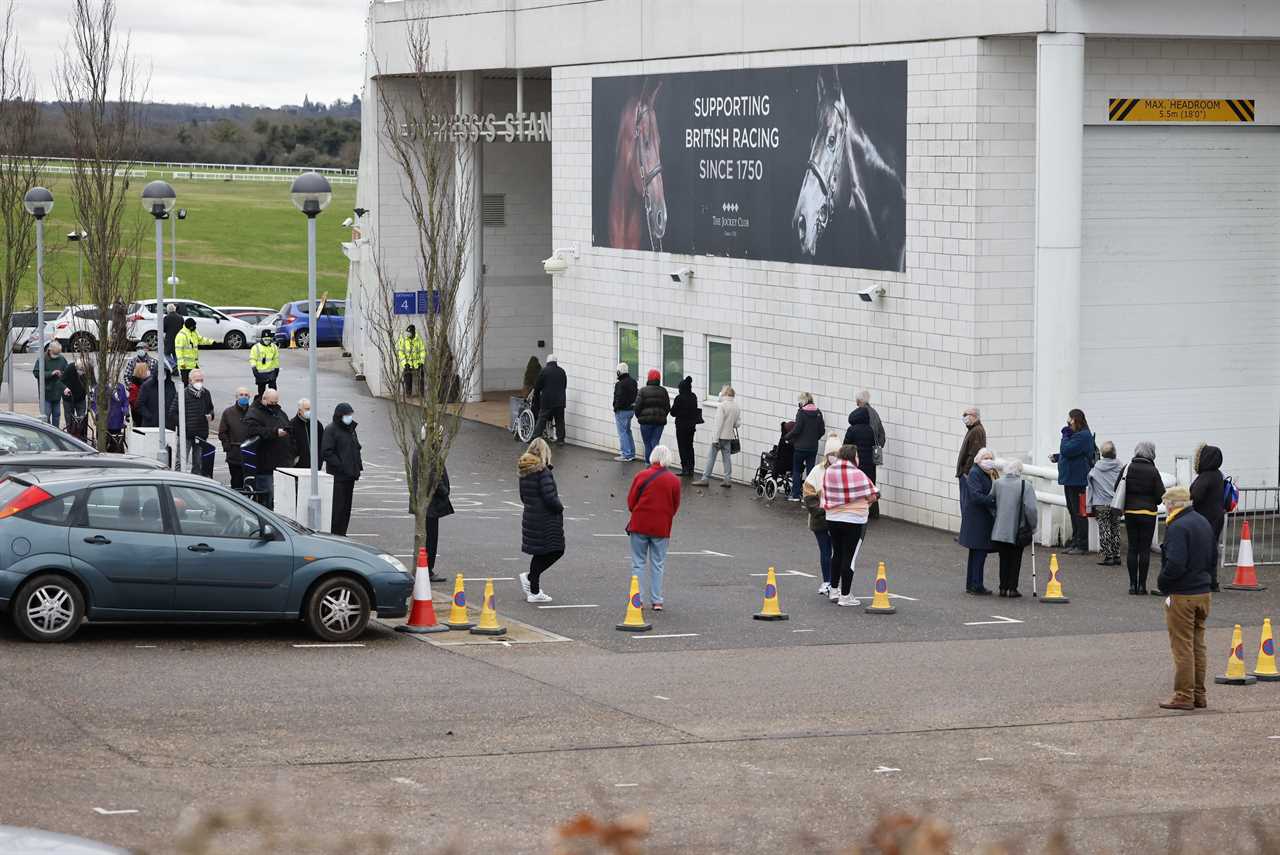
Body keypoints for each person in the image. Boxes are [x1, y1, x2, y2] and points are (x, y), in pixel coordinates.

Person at [1156, 486, 1216, 711]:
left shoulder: (1177, 526)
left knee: (1182, 646)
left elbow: (1176, 563)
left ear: (1173, 505)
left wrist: (1163, 582)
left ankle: (1183, 695)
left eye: (1166, 504)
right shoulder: (1202, 521)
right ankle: (1199, 694)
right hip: (1203, 591)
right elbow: (1212, 556)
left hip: (1183, 594)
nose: (1165, 508)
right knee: (1198, 645)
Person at [821, 444, 879, 606]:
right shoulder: (858, 473)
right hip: (854, 520)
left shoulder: (829, 471)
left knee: (837, 553)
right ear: (853, 457)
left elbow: (825, 492)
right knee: (849, 557)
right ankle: (845, 596)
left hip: (832, 518)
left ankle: (834, 590)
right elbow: (872, 494)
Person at [626, 445, 682, 611]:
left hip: (639, 524)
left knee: (638, 563)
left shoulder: (641, 476)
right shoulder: (674, 480)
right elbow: (675, 506)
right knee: (658, 564)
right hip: (661, 527)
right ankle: (657, 600)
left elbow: (631, 502)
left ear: (653, 457)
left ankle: (638, 600)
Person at [517, 437, 564, 603]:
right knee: (556, 550)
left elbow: (523, 496)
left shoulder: (524, 471)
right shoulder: (543, 472)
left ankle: (533, 587)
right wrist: (560, 507)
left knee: (540, 552)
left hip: (531, 516)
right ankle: (532, 584)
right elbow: (550, 497)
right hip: (545, 519)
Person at [985, 458, 1038, 597]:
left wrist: (997, 516)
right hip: (1017, 529)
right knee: (1016, 559)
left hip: (1000, 528)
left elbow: (990, 502)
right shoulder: (1025, 485)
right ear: (1019, 471)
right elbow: (1031, 509)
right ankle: (1012, 588)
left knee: (1003, 558)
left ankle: (1002, 587)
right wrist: (1033, 526)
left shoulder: (997, 483)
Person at [1121, 440, 1165, 595]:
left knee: (1133, 548)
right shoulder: (1153, 471)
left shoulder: (1127, 468)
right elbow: (1160, 496)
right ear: (1152, 453)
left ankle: (1132, 585)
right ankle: (1142, 586)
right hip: (1148, 514)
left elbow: (1117, 489)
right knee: (1144, 549)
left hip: (1130, 513)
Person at [802, 433, 843, 596]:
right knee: (826, 551)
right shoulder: (817, 471)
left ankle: (834, 583)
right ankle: (827, 581)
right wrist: (822, 511)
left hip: (838, 519)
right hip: (820, 520)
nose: (835, 457)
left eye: (837, 454)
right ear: (827, 455)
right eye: (832, 454)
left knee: (837, 552)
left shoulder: (843, 471)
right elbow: (808, 494)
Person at [1053, 408, 1095, 554]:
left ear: (1076, 419)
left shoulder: (1083, 435)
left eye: (1070, 419)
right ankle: (1076, 540)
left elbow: (1067, 450)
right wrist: (1057, 457)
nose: (1068, 422)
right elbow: (1070, 453)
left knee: (1079, 512)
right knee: (1073, 511)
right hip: (1071, 479)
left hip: (1078, 480)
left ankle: (1082, 544)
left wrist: (1065, 435)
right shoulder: (1078, 435)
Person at [242, 389, 293, 509]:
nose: (274, 405)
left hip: (282, 466)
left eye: (276, 402)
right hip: (265, 468)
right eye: (272, 403)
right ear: (264, 399)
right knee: (267, 502)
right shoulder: (254, 413)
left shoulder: (280, 413)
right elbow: (252, 431)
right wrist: (274, 432)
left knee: (281, 502)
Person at [321, 402, 363, 536]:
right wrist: (341, 466)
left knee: (346, 510)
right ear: (340, 415)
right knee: (337, 510)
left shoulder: (351, 429)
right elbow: (327, 452)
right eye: (347, 415)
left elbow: (355, 448)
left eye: (351, 414)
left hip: (350, 476)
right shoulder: (331, 430)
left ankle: (342, 534)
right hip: (338, 478)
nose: (350, 417)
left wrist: (357, 467)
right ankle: (335, 535)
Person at [959, 447, 997, 595]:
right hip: (978, 520)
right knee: (979, 553)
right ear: (978, 459)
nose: (988, 461)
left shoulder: (987, 472)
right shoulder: (976, 473)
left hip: (979, 519)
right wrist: (993, 500)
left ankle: (972, 583)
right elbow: (976, 495)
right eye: (985, 458)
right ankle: (976, 584)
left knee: (977, 553)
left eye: (990, 458)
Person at [1189, 443, 1225, 592]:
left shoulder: (1205, 477)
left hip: (1204, 518)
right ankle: (1212, 581)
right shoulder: (1218, 474)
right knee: (1212, 549)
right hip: (1216, 516)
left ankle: (1201, 581)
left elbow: (1195, 496)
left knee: (1200, 550)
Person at [691, 386, 740, 488]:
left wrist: (715, 439)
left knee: (711, 457)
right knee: (727, 459)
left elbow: (718, 424)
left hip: (719, 436)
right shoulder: (736, 406)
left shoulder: (722, 406)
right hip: (729, 436)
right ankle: (727, 480)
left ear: (725, 393)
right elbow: (737, 424)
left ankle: (705, 479)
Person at [168, 368, 214, 474]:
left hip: (201, 434)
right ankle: (178, 482)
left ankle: (195, 484)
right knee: (181, 461)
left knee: (198, 462)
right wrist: (184, 425)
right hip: (186, 434)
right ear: (190, 381)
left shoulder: (206, 393)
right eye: (197, 380)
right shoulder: (183, 394)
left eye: (201, 380)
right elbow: (172, 413)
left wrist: (210, 415)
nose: (199, 383)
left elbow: (210, 408)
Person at [1086, 441, 1124, 567]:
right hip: (1116, 502)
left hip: (1101, 502)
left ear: (1102, 454)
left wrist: (1089, 503)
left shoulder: (1097, 468)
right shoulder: (1120, 466)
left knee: (1105, 529)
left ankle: (1108, 556)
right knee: (1115, 527)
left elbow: (1090, 481)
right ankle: (1117, 555)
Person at [785, 392, 825, 501]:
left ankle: (796, 495)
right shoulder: (818, 413)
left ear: (803, 401)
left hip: (800, 448)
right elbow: (822, 431)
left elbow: (797, 430)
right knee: (811, 471)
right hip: (813, 447)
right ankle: (808, 496)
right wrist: (814, 439)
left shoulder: (801, 413)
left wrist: (787, 436)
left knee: (797, 470)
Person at [844, 406, 879, 518]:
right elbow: (875, 444)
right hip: (870, 463)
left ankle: (858, 510)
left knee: (856, 486)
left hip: (856, 463)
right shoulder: (871, 430)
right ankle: (873, 512)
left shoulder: (852, 430)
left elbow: (845, 446)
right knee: (870, 486)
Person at [217, 387, 252, 491]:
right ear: (236, 397)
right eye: (241, 395)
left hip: (250, 455)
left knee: (250, 483)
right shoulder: (228, 412)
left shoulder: (253, 412)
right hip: (234, 455)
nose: (244, 397)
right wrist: (228, 447)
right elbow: (222, 432)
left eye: (246, 395)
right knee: (236, 483)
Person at [634, 369, 670, 463]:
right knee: (655, 442)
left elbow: (637, 407)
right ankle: (656, 464)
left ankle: (648, 465)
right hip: (659, 422)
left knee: (647, 444)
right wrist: (662, 416)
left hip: (645, 422)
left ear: (648, 378)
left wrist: (639, 417)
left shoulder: (642, 391)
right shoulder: (664, 391)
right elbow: (667, 407)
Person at [532, 354, 567, 444]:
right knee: (560, 420)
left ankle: (535, 437)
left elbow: (537, 386)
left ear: (548, 362)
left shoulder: (544, 371)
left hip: (547, 401)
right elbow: (564, 385)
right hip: (560, 401)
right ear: (555, 362)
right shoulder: (562, 371)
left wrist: (536, 397)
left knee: (542, 418)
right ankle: (560, 440)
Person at [33, 341, 70, 427]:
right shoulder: (42, 359)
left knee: (56, 415)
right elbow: (36, 373)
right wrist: (51, 373)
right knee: (46, 415)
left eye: (58, 354)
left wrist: (62, 374)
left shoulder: (62, 359)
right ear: (49, 350)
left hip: (57, 393)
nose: (56, 356)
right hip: (46, 394)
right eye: (55, 354)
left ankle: (55, 432)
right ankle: (47, 432)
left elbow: (67, 372)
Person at [669, 376, 700, 477]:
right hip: (691, 426)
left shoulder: (679, 398)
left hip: (681, 426)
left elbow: (673, 412)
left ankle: (685, 468)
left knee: (682, 447)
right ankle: (691, 468)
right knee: (690, 446)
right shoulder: (693, 396)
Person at [135, 361, 175, 429]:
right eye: (160, 372)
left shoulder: (170, 385)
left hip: (168, 425)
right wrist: (150, 416)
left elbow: (174, 402)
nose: (162, 375)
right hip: (150, 425)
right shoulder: (147, 386)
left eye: (164, 372)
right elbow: (139, 405)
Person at [612, 362, 639, 462]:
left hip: (622, 411)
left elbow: (619, 398)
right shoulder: (633, 382)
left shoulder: (620, 384)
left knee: (622, 433)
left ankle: (626, 454)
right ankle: (631, 453)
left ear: (619, 372)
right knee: (628, 431)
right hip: (631, 410)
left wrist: (616, 407)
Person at [174, 317, 213, 386]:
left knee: (197, 382)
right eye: (193, 326)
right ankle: (186, 396)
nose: (195, 327)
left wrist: (212, 342)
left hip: (194, 364)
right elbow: (178, 350)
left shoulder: (194, 332)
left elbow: (201, 339)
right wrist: (181, 363)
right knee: (186, 384)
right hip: (185, 366)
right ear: (189, 326)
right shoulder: (181, 335)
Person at [288, 398, 323, 468]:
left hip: (315, 466)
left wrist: (320, 460)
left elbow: (322, 443)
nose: (309, 411)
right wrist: (295, 460)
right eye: (307, 409)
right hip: (299, 467)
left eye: (310, 409)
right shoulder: (292, 424)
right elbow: (289, 445)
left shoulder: (317, 424)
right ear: (300, 410)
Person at [955, 406, 986, 478]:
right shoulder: (973, 429)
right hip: (967, 473)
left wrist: (966, 471)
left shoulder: (976, 431)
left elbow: (974, 453)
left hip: (968, 474)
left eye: (966, 415)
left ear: (974, 416)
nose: (964, 417)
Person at [397, 324, 426, 397]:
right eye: (407, 332)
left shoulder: (418, 339)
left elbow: (422, 351)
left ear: (413, 332)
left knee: (421, 375)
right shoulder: (404, 339)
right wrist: (405, 363)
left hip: (417, 363)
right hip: (408, 363)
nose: (408, 334)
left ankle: (422, 393)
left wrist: (421, 362)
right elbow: (400, 352)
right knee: (407, 376)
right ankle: (408, 393)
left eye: (409, 332)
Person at [854, 390, 886, 457]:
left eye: (857, 401)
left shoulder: (859, 415)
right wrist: (877, 447)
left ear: (860, 401)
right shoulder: (874, 413)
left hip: (862, 452)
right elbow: (881, 433)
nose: (856, 404)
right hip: (873, 452)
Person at [249, 330, 280, 397]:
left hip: (271, 373)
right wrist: (254, 368)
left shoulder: (274, 347)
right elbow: (252, 359)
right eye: (265, 339)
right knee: (261, 393)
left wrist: (277, 369)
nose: (267, 341)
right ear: (262, 339)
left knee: (273, 392)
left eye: (269, 339)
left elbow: (276, 359)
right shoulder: (256, 347)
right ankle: (261, 404)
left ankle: (273, 404)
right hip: (260, 373)